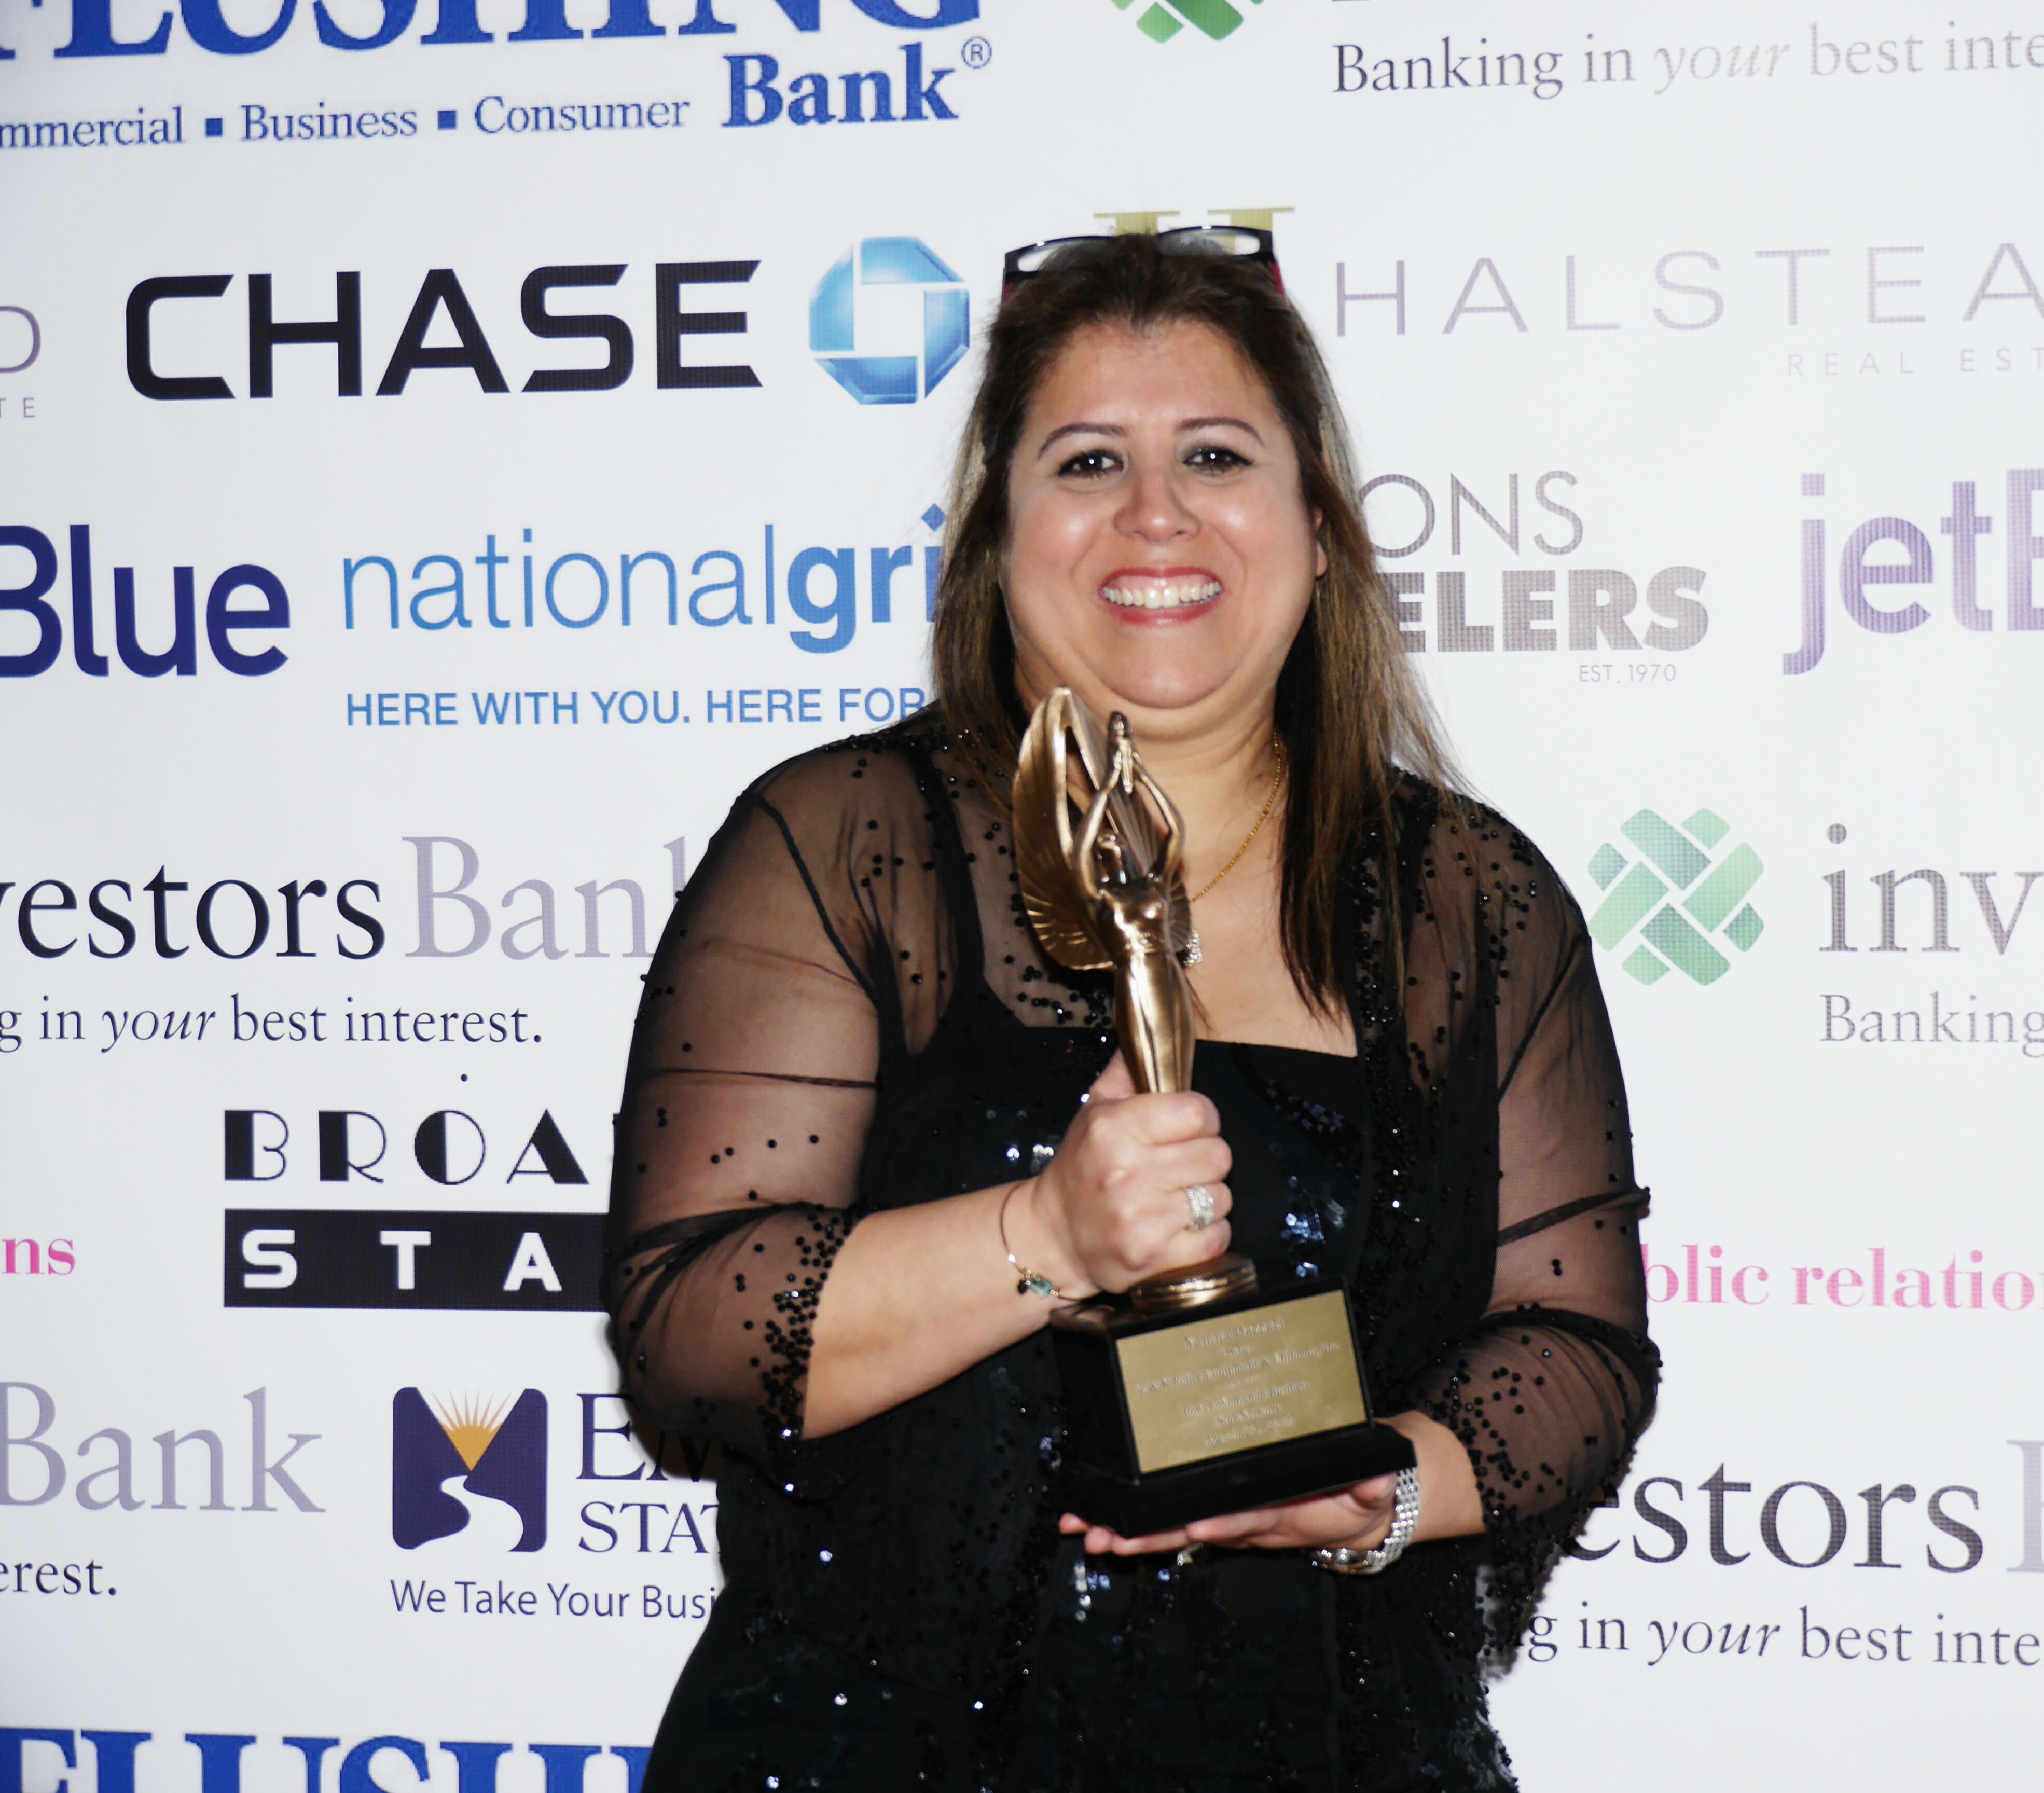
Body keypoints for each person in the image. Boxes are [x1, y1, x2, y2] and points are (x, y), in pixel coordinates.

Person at [605, 227, 1659, 1792]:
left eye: (1216, 454)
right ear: (997, 535)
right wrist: (1048, 1237)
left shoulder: (1470, 899)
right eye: (1088, 459)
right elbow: (690, 1332)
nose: (1156, 511)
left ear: (1317, 528)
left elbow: (1575, 1341)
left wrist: (1386, 1486)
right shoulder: (847, 843)